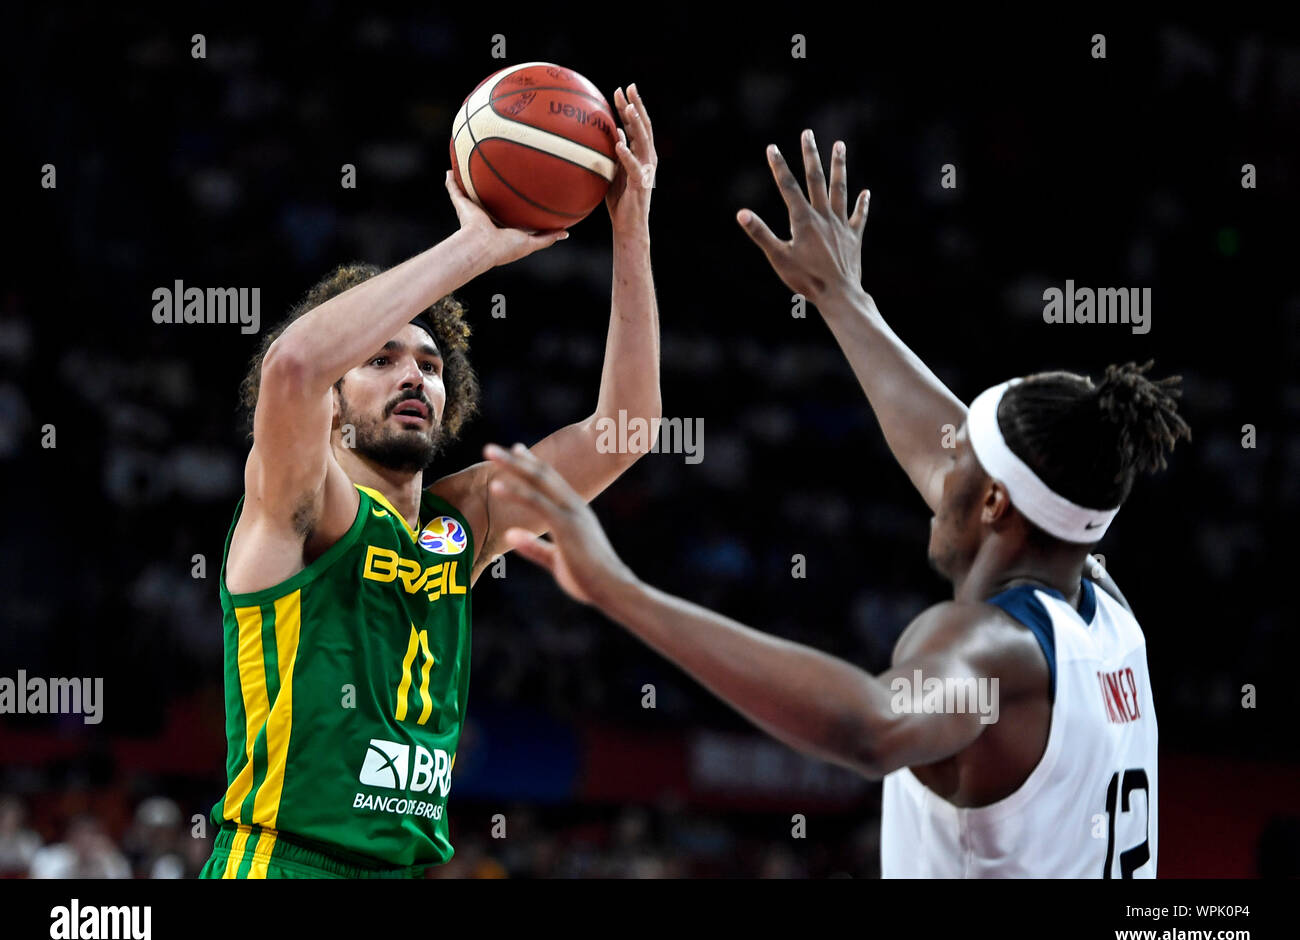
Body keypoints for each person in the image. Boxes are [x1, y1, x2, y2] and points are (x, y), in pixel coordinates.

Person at [481, 129, 1189, 878]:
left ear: (994, 506)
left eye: (964, 469)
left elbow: (871, 727)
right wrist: (843, 299)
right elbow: (958, 453)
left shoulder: (991, 649)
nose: (941, 471)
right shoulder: (1106, 614)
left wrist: (618, 590)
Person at [199, 85, 661, 879]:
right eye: (380, 358)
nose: (413, 374)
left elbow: (628, 429)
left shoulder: (466, 521)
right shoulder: (302, 504)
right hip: (285, 863)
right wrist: (477, 248)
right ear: (336, 407)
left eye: (430, 363)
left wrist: (629, 224)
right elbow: (296, 366)